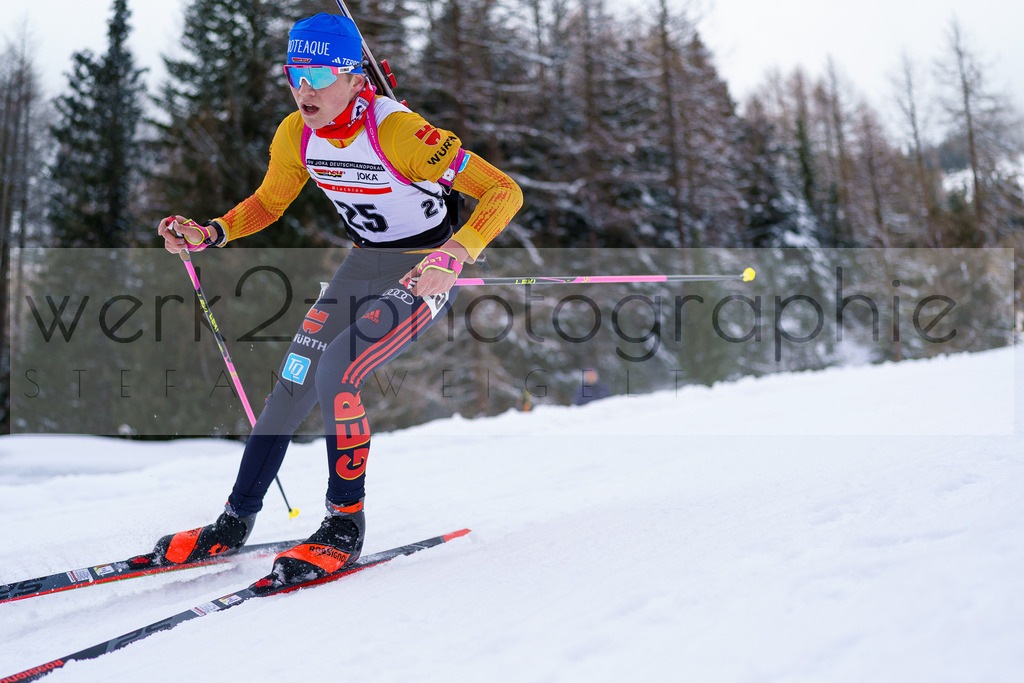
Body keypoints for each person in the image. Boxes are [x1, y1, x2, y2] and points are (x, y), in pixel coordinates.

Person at [153, 13, 522, 588]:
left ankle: (344, 523)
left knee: (337, 370)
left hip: (420, 273)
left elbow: (504, 191)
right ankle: (232, 522)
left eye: (320, 74)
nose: (305, 90)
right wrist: (213, 231)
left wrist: (456, 252)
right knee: (292, 382)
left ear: (356, 79)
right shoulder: (295, 133)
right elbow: (269, 203)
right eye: (295, 74)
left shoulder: (399, 133)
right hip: (362, 265)